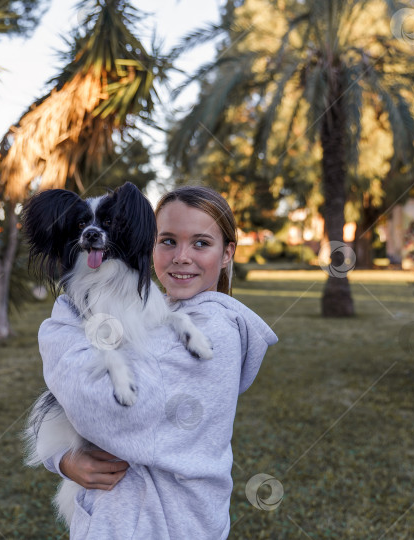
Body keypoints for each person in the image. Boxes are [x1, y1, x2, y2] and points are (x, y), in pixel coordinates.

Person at [37, 186, 278, 539]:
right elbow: (61, 409)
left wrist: (60, 332)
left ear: (227, 253)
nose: (181, 256)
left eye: (200, 243)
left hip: (162, 524)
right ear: (147, 241)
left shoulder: (214, 333)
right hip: (117, 519)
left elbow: (104, 409)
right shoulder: (151, 307)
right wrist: (62, 459)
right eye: (167, 241)